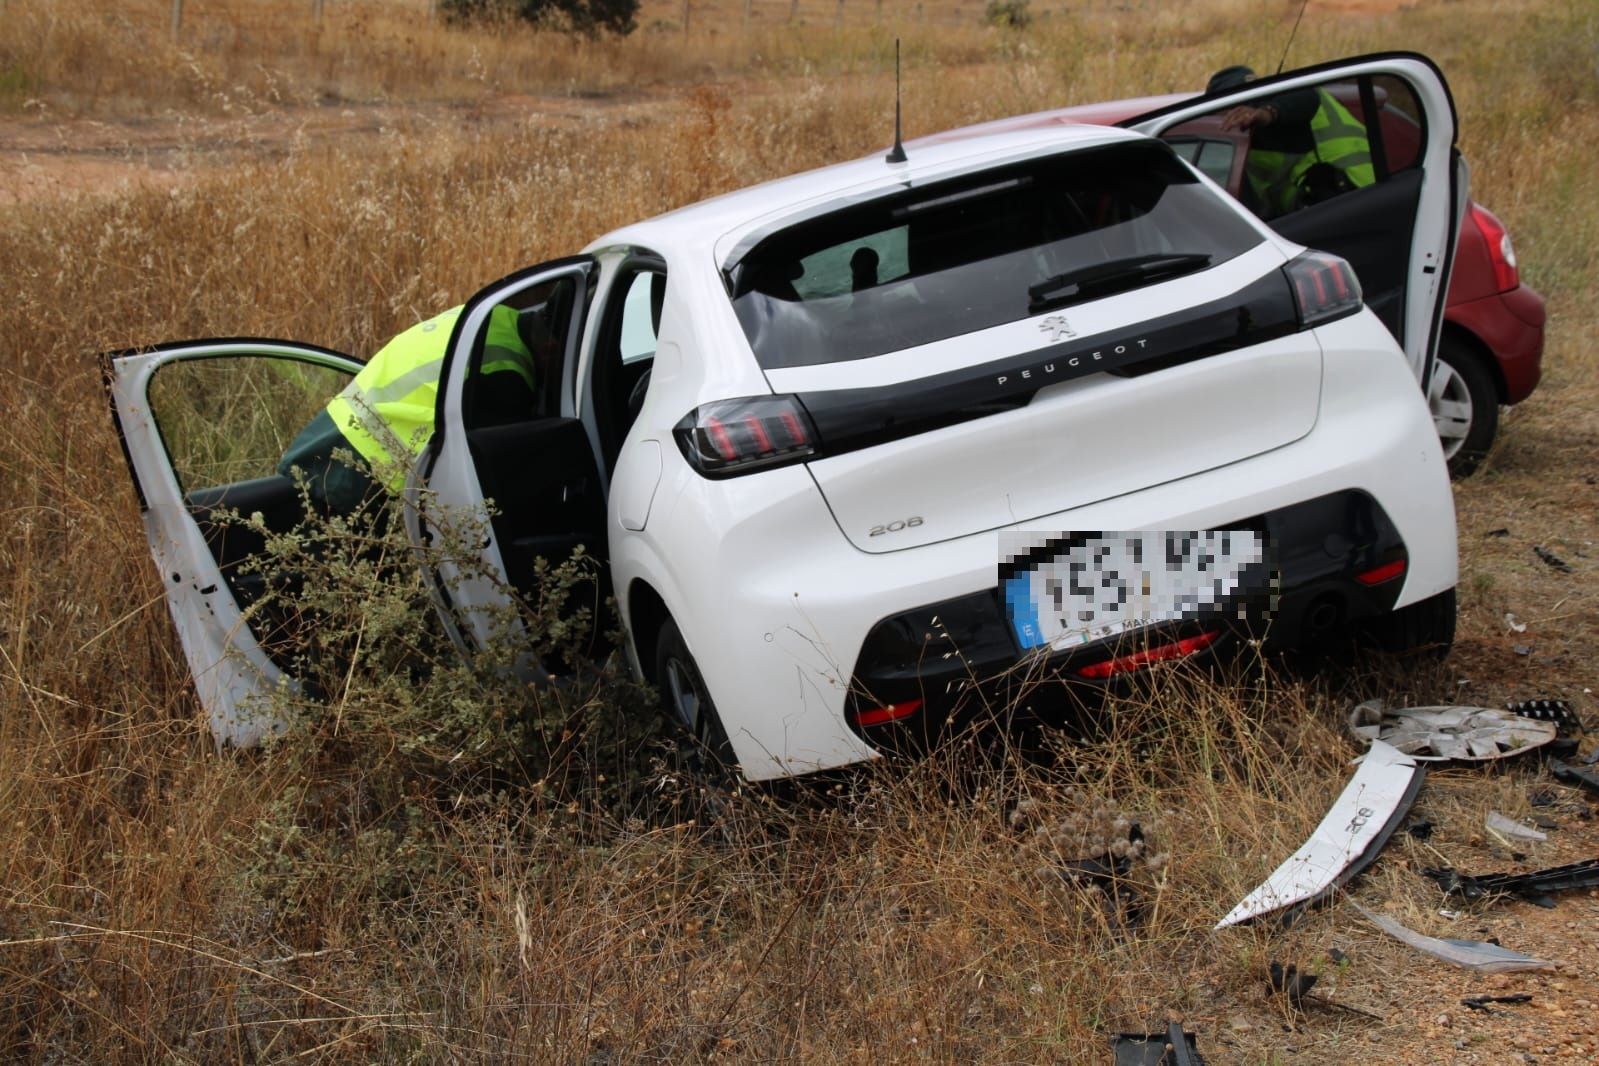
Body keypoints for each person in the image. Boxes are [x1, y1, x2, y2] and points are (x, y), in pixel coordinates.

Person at [277, 302, 552, 515]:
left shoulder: (495, 313)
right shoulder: (507, 372)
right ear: (550, 346)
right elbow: (497, 470)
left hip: (329, 436)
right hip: (358, 470)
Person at [1206, 64, 1376, 219]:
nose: (1234, 118)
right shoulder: (1237, 143)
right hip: (1325, 203)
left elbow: (1305, 97)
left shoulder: (1284, 100)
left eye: (1234, 109)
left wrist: (1267, 113)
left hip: (1348, 191)